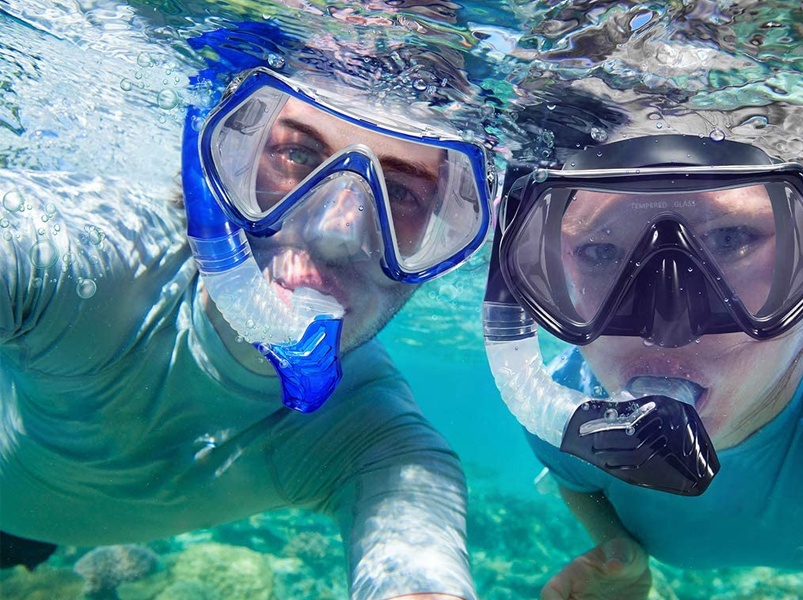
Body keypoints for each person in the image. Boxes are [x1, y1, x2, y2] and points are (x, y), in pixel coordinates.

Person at [0, 18, 496, 600]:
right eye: (294, 154)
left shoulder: (375, 441)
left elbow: (414, 564)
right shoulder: (84, 262)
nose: (337, 232)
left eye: (403, 195)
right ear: (217, 167)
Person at [480, 84, 803, 598]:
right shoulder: (565, 413)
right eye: (600, 251)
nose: (667, 326)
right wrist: (624, 557)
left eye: (731, 239)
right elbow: (577, 480)